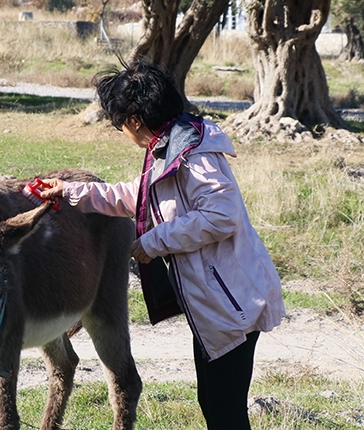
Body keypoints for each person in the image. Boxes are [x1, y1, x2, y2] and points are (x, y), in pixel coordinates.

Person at [40, 58, 285, 430]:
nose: (121, 130)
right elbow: (137, 196)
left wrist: (154, 241)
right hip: (219, 303)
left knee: (224, 409)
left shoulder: (192, 154)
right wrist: (71, 192)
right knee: (217, 405)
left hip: (233, 304)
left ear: (135, 120)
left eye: (120, 122)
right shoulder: (170, 146)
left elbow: (222, 215)